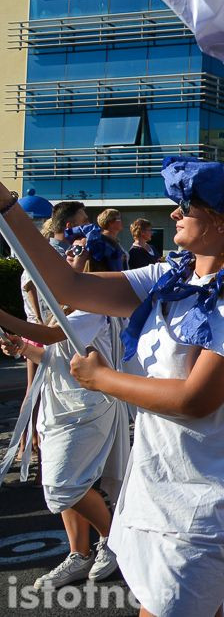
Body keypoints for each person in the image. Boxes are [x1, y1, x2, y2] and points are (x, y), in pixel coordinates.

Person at [0, 158, 224, 614]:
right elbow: (68, 284)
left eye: (185, 205)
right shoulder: (172, 276)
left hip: (212, 500)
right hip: (163, 486)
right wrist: (7, 207)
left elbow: (197, 398)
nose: (173, 213)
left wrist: (102, 379)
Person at [0, 227, 130, 589]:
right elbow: (52, 353)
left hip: (87, 405)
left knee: (62, 485)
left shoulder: (92, 305)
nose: (67, 256)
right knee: (67, 483)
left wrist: (7, 319)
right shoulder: (67, 306)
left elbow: (50, 336)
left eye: (75, 251)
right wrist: (22, 349)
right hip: (58, 403)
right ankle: (79, 553)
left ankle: (115, 539)